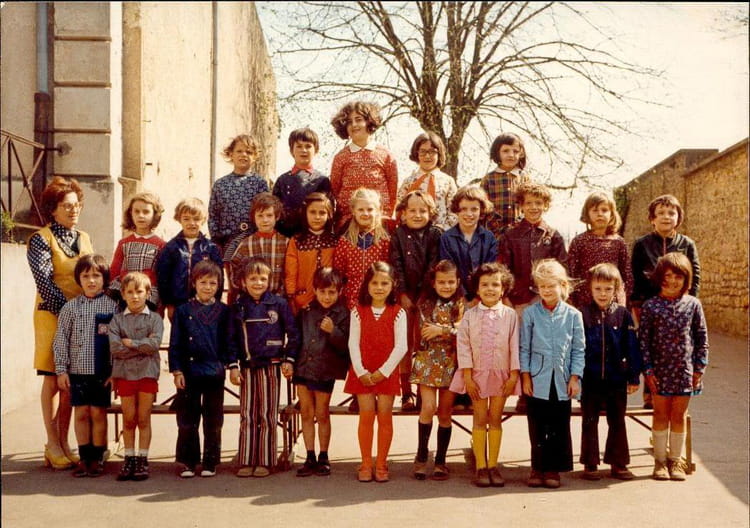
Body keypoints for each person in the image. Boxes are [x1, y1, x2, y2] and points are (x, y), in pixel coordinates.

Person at [27, 176, 93, 469]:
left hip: (81, 317)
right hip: (52, 316)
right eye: (66, 205)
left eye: (76, 205)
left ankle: (65, 442)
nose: (73, 210)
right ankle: (52, 443)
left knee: (71, 381)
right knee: (54, 377)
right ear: (52, 209)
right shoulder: (41, 239)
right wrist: (70, 314)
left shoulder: (84, 237)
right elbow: (44, 281)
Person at [228, 257, 301, 478]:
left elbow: (294, 334)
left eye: (262, 278)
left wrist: (289, 359)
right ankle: (247, 459)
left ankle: (266, 460)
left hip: (271, 366)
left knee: (268, 415)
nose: (258, 283)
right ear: (243, 282)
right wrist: (233, 366)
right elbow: (231, 339)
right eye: (252, 278)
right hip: (247, 368)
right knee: (248, 414)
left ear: (269, 281)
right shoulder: (239, 306)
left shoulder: (278, 304)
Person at [449, 263, 520, 487]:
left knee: (495, 419)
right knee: (480, 418)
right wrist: (468, 376)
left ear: (503, 288)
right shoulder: (469, 316)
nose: (490, 289)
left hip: (502, 376)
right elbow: (463, 347)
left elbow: (515, 346)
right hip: (476, 376)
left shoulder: (510, 315)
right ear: (477, 289)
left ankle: (493, 465)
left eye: (495, 285)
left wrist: (513, 376)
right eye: (485, 285)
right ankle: (480, 466)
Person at [639, 252, 708, 481]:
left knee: (678, 415)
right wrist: (648, 371)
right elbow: (644, 342)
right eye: (667, 276)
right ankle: (659, 462)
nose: (672, 281)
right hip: (659, 373)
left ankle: (676, 460)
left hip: (685, 373)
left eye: (678, 276)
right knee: (660, 414)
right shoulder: (651, 306)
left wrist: (699, 368)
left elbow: (701, 338)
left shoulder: (693, 305)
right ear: (659, 277)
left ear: (686, 279)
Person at [630, 194, 701, 409]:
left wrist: (689, 302)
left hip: (679, 308)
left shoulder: (687, 244)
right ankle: (651, 396)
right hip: (650, 307)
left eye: (671, 213)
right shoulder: (642, 244)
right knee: (650, 349)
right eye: (660, 213)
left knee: (679, 348)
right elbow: (635, 276)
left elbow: (695, 275)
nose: (666, 217)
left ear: (678, 218)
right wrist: (637, 305)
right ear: (652, 218)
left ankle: (678, 394)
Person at [520, 259, 584, 489]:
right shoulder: (530, 314)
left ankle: (553, 469)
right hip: (537, 379)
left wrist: (575, 377)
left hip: (562, 380)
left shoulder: (573, 315)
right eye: (542, 286)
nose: (546, 290)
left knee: (558, 426)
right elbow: (524, 348)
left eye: (551, 285)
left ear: (562, 285)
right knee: (537, 426)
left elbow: (578, 349)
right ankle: (537, 468)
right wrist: (526, 376)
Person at [53, 254, 118, 477]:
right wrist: (61, 370)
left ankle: (98, 457)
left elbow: (118, 342)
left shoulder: (112, 308)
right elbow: (61, 339)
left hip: (102, 372)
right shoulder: (70, 308)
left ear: (104, 278)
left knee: (98, 413)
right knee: (81, 413)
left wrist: (115, 371)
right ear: (78, 279)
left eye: (96, 276)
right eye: (86, 276)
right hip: (78, 372)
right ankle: (84, 457)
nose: (91, 281)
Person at [343, 262, 407, 483]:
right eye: (374, 283)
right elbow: (353, 343)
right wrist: (361, 371)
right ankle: (365, 463)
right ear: (367, 285)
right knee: (367, 416)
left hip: (386, 372)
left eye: (384, 283)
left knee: (385, 416)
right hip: (363, 372)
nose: (379, 287)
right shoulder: (358, 311)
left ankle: (381, 463)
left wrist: (383, 372)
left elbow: (401, 346)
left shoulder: (398, 312)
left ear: (393, 285)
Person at [168, 261, 233, 478]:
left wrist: (228, 364)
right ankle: (188, 462)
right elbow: (175, 343)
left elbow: (229, 341)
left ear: (219, 285)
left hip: (214, 372)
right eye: (203, 282)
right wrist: (177, 371)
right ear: (194, 283)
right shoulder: (183, 311)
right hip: (189, 372)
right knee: (187, 419)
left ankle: (210, 462)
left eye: (212, 283)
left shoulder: (223, 311)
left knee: (213, 420)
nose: (207, 287)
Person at [579, 263, 641, 481]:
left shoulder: (623, 315)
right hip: (590, 379)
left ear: (616, 290)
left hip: (616, 379)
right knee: (590, 420)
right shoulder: (583, 314)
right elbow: (576, 348)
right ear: (590, 288)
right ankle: (590, 462)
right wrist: (575, 377)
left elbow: (632, 347)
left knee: (617, 420)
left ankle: (618, 462)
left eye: (608, 289)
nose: (603, 294)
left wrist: (633, 376)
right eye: (598, 289)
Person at [410, 260, 465, 481]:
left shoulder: (461, 304)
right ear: (433, 283)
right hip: (427, 362)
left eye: (451, 282)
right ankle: (422, 454)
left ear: (458, 282)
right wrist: (450, 330)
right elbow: (426, 331)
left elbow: (463, 331)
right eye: (442, 282)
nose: (446, 286)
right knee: (428, 407)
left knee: (444, 412)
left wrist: (441, 330)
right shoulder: (425, 304)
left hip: (452, 363)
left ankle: (441, 460)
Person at [293, 267, 350, 477]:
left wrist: (333, 331)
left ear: (339, 292)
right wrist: (289, 361)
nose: (327, 297)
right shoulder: (306, 311)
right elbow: (296, 339)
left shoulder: (343, 314)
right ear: (315, 290)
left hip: (325, 370)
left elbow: (346, 346)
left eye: (331, 292)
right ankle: (310, 456)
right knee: (306, 413)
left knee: (322, 413)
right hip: (303, 367)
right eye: (322, 292)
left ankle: (323, 456)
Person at [389, 190, 443, 411]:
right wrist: (402, 293)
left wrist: (423, 295)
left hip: (427, 297)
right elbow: (396, 264)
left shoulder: (435, 234)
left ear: (431, 212)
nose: (417, 215)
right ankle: (406, 393)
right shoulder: (398, 234)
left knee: (423, 343)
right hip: (404, 296)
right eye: (412, 210)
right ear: (403, 213)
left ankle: (423, 391)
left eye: (422, 210)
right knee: (404, 344)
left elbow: (434, 264)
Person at [109, 272, 164, 481]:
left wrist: (131, 343)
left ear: (147, 294)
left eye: (139, 291)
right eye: (130, 292)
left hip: (147, 374)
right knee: (129, 418)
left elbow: (154, 344)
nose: (134, 296)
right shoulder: (117, 320)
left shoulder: (155, 319)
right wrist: (142, 347)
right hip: (125, 375)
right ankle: (129, 458)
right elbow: (115, 348)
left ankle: (142, 458)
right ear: (123, 294)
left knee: (143, 418)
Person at [499, 181, 568, 314]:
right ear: (521, 206)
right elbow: (503, 269)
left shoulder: (553, 235)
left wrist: (561, 296)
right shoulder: (510, 235)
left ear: (545, 205)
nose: (533, 207)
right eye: (528, 203)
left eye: (538, 203)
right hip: (518, 300)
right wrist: (505, 298)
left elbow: (563, 269)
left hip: (546, 299)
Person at [329, 101, 398, 232]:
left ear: (369, 122)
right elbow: (335, 190)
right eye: (349, 122)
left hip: (379, 223)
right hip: (348, 224)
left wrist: (385, 217)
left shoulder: (385, 155)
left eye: (358, 119)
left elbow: (392, 192)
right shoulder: (340, 157)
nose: (354, 124)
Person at [155, 198, 223, 322]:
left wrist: (216, 301)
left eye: (196, 219)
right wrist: (169, 304)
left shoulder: (211, 248)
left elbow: (219, 277)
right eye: (186, 219)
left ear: (203, 220)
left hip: (204, 302)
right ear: (179, 219)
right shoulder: (171, 248)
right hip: (178, 303)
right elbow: (163, 278)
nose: (191, 223)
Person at [567, 191, 633, 310]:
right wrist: (573, 300)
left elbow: (626, 273)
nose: (600, 214)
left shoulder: (618, 242)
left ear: (612, 214)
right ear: (587, 214)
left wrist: (623, 297)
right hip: (586, 300)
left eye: (604, 210)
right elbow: (572, 273)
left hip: (613, 299)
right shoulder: (579, 241)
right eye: (595, 210)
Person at [208, 133, 269, 253]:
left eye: (249, 152)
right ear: (231, 154)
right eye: (239, 151)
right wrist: (216, 240)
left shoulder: (260, 183)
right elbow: (213, 215)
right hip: (226, 242)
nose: (243, 155)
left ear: (255, 156)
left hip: (253, 241)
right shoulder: (220, 184)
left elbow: (265, 211)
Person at [333, 188, 391, 310]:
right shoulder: (345, 241)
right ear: (353, 211)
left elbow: (389, 270)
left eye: (370, 209)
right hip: (352, 298)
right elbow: (338, 271)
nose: (365, 213)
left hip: (378, 297)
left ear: (378, 210)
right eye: (361, 209)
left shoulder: (384, 241)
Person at [439, 185, 498, 303]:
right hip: (456, 297)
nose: (469, 214)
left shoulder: (489, 238)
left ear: (481, 210)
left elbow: (490, 271)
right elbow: (448, 272)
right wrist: (463, 298)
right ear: (457, 210)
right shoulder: (446, 238)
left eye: (474, 209)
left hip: (483, 297)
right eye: (464, 209)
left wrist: (477, 297)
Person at [226, 192, 288, 300]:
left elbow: (289, 273)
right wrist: (245, 288)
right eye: (260, 216)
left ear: (277, 216)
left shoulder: (285, 243)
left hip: (278, 299)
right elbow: (234, 271)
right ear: (253, 218)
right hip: (251, 299)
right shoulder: (246, 244)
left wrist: (281, 294)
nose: (265, 220)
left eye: (269, 215)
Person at [272, 127, 333, 238]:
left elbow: (327, 211)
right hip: (286, 236)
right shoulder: (282, 180)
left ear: (316, 150)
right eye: (299, 146)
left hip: (314, 237)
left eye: (308, 146)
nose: (303, 150)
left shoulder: (322, 180)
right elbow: (274, 211)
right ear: (292, 150)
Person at [109, 191, 166, 308]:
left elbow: (161, 276)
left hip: (148, 294)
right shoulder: (124, 243)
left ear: (155, 215)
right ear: (131, 213)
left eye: (146, 212)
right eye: (137, 211)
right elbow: (114, 271)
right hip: (126, 293)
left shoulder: (161, 245)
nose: (141, 215)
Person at [284, 192, 339, 314]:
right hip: (303, 300)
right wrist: (291, 295)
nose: (317, 217)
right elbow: (291, 271)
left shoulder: (334, 241)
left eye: (322, 213)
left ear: (329, 215)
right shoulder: (297, 241)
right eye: (312, 212)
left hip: (329, 299)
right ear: (305, 214)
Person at [396, 131, 458, 230]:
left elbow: (454, 212)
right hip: (412, 233)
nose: (427, 156)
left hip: (441, 234)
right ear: (416, 153)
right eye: (423, 151)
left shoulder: (448, 181)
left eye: (432, 152)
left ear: (439, 154)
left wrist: (443, 230)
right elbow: (399, 209)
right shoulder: (409, 182)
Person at [479, 132, 531, 240]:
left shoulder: (525, 179)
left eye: (515, 151)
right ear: (497, 153)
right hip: (494, 234)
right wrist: (494, 226)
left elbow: (530, 204)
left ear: (521, 153)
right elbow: (482, 208)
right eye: (506, 151)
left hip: (520, 234)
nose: (511, 155)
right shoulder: (488, 179)